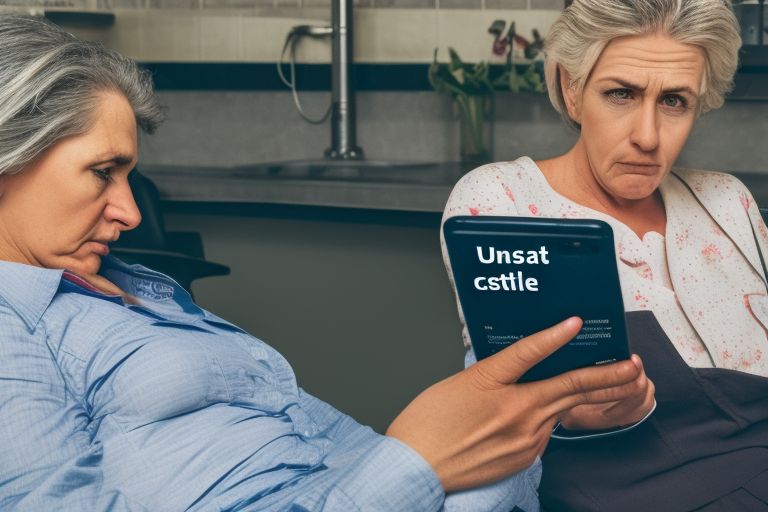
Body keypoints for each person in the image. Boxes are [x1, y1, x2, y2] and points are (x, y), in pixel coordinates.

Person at [0, 15, 653, 512]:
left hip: (365, 488)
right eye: (102, 172)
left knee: (533, 369)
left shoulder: (137, 289)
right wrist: (417, 464)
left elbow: (327, 444)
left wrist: (512, 424)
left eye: (130, 174)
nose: (130, 212)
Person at [442, 0, 768, 510]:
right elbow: (498, 395)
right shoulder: (504, 198)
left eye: (675, 101)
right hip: (623, 486)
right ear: (572, 91)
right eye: (620, 94)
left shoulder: (728, 200)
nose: (647, 137)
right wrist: (575, 412)